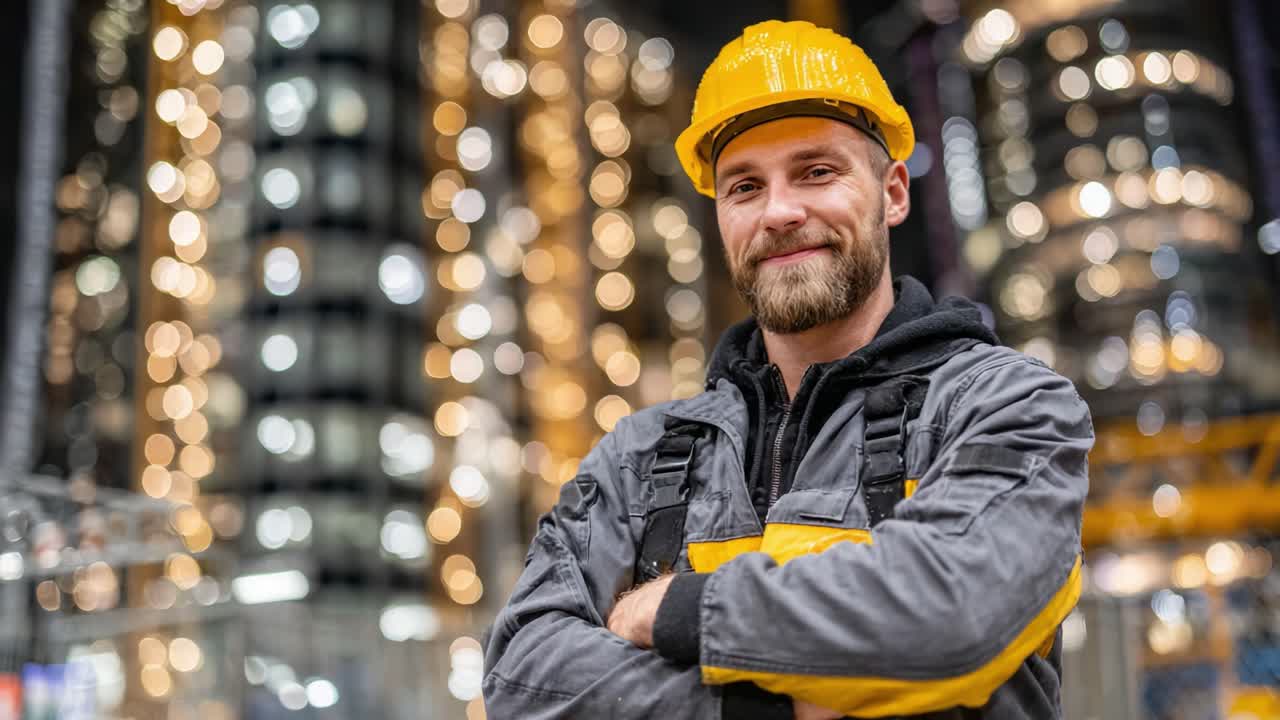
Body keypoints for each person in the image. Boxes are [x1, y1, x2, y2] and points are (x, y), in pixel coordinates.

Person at [483, 19, 1092, 720]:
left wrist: (679, 610)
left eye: (816, 171)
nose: (778, 211)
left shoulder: (1007, 405)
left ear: (894, 193)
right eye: (744, 187)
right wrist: (766, 710)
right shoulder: (637, 458)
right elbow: (522, 677)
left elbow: (954, 613)